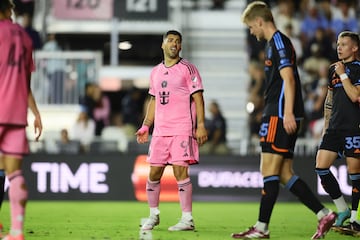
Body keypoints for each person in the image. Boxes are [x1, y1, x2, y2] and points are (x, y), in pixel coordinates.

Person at [231, 2, 336, 239]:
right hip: (278, 113)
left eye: (250, 26)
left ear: (259, 21)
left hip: (279, 116)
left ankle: (261, 228)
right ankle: (323, 214)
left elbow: (289, 79)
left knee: (267, 170)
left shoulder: (278, 42)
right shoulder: (273, 44)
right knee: (284, 173)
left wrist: (287, 113)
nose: (251, 31)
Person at [136, 30, 207, 232]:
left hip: (182, 128)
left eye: (177, 41)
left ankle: (187, 218)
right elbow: (154, 100)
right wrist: (146, 125)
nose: (174, 44)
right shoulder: (155, 72)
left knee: (180, 170)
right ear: (163, 45)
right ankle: (153, 215)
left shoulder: (188, 69)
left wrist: (200, 124)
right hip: (160, 131)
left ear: (180, 46)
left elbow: (198, 98)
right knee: (154, 172)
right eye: (170, 40)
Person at [0, 1, 43, 239]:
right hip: (17, 114)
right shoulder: (25, 38)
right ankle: (17, 231)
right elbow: (25, 82)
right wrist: (35, 113)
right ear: (9, 11)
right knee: (14, 174)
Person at [315, 31, 360, 236]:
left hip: (353, 127)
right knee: (321, 167)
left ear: (355, 48)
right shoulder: (333, 69)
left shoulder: (357, 70)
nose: (339, 47)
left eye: (344, 44)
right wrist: (326, 126)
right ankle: (342, 209)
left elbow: (356, 96)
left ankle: (355, 219)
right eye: (338, 44)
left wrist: (343, 74)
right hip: (334, 128)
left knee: (355, 175)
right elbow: (329, 100)